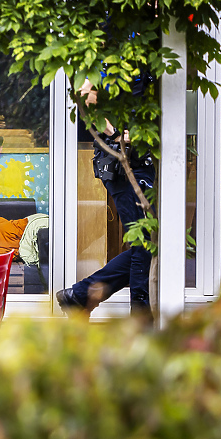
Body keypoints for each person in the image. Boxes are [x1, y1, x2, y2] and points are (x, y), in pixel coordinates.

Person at [56, 74, 155, 319]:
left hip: (142, 162)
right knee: (142, 242)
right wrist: (114, 135)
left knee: (146, 244)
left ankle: (79, 296)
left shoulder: (147, 55)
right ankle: (141, 320)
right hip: (123, 165)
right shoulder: (117, 55)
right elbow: (84, 92)